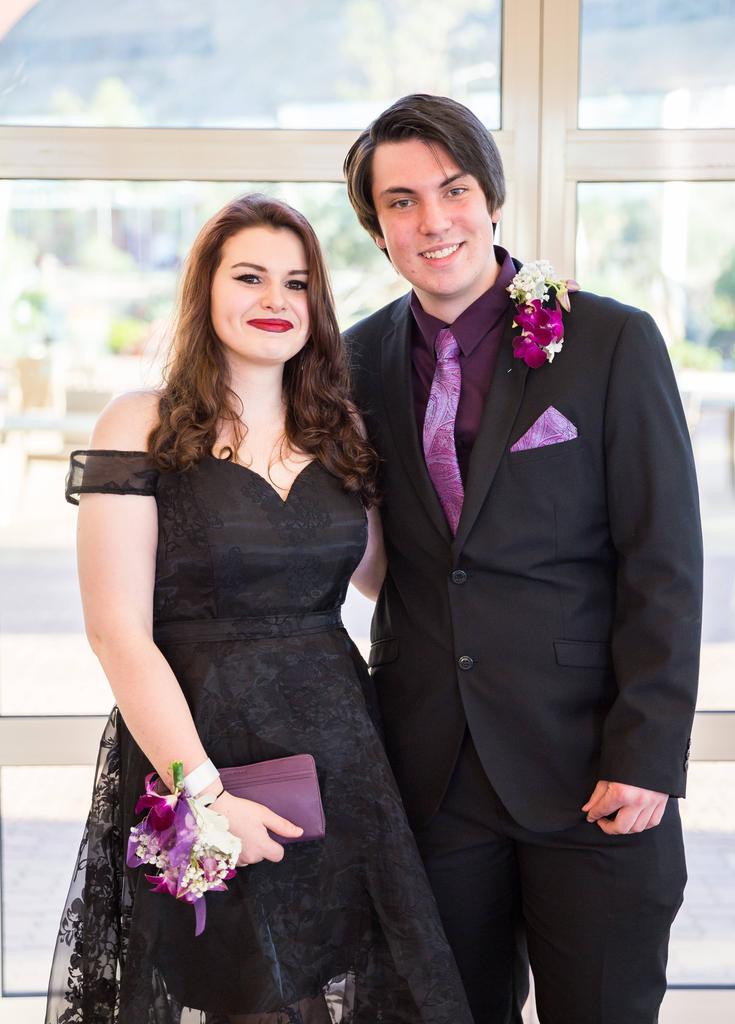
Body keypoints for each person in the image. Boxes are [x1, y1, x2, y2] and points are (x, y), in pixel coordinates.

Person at [45, 193, 474, 1024]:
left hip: (341, 760)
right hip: (199, 754)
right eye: (250, 277)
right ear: (205, 290)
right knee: (240, 996)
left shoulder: (340, 429)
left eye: (297, 283)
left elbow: (388, 583)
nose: (275, 300)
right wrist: (204, 797)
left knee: (336, 990)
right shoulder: (141, 423)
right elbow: (116, 632)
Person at [343, 94, 703, 1024]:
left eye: (453, 189)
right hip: (432, 774)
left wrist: (650, 751)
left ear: (492, 198)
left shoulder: (609, 340)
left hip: (590, 765)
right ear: (377, 228)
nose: (434, 221)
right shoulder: (352, 363)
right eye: (401, 202)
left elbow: (663, 559)